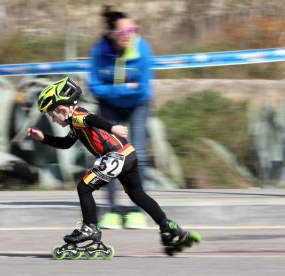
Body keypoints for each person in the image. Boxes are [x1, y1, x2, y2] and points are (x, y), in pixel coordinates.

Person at [27, 77, 199, 256]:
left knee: (84, 188)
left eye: (51, 115)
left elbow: (92, 118)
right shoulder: (75, 124)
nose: (53, 120)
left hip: (116, 156)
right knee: (137, 194)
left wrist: (112, 128)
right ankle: (168, 226)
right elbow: (65, 144)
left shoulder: (78, 116)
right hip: (129, 154)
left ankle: (90, 228)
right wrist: (44, 138)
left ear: (61, 109)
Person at [87, 6, 154, 229]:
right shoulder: (99, 51)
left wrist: (114, 89)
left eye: (133, 30)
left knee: (138, 155)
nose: (130, 36)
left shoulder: (142, 50)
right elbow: (95, 87)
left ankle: (137, 210)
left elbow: (142, 90)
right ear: (111, 34)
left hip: (138, 105)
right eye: (124, 33)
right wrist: (124, 88)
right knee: (111, 154)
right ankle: (112, 210)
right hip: (109, 106)